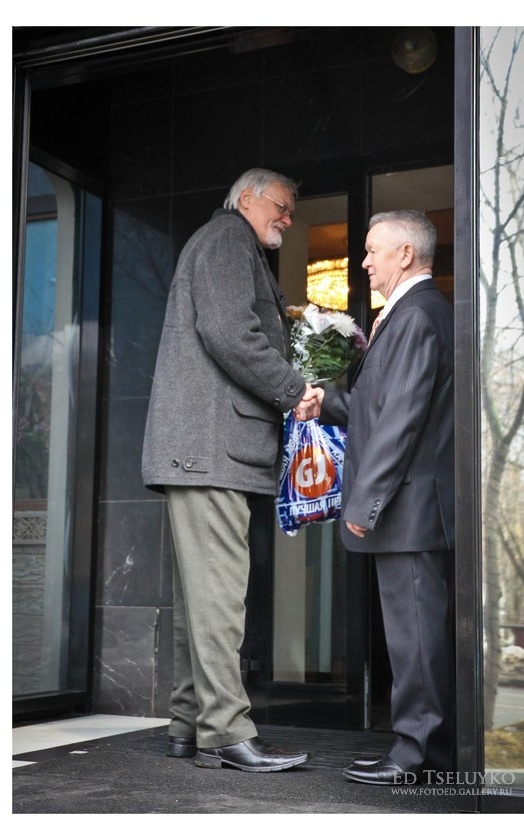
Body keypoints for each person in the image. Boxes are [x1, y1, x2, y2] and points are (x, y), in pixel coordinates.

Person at [142, 168, 322, 772]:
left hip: (204, 447)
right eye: (283, 206)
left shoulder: (224, 243)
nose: (288, 219)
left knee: (202, 599)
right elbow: (228, 330)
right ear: (246, 198)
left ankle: (188, 724)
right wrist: (293, 389)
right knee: (220, 599)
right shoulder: (226, 240)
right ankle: (226, 734)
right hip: (211, 448)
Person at [321, 209, 455, 785]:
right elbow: (375, 410)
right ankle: (427, 751)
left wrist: (363, 503)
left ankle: (416, 755)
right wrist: (321, 400)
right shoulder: (404, 316)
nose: (365, 261)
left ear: (406, 254)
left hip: (410, 509)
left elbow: (400, 421)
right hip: (408, 508)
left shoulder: (418, 315)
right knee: (413, 634)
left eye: (374, 250)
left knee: (417, 635)